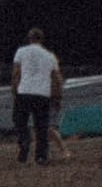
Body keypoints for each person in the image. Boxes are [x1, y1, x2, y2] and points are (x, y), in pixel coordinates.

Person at [11, 27, 64, 165]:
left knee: (19, 121)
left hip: (24, 91)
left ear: (29, 38)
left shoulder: (21, 52)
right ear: (42, 40)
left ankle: (24, 141)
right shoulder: (50, 56)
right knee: (41, 126)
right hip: (42, 94)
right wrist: (57, 97)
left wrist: (14, 90)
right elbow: (57, 79)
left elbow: (16, 74)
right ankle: (40, 156)